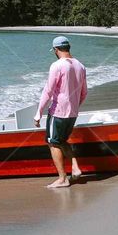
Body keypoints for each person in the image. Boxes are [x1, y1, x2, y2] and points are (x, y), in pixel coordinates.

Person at [34, 35, 87, 188]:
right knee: (62, 141)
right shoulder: (80, 66)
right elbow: (84, 93)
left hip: (58, 112)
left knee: (53, 142)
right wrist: (74, 107)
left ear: (56, 50)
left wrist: (39, 112)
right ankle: (75, 167)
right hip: (73, 113)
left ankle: (63, 179)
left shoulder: (57, 65)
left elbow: (48, 91)